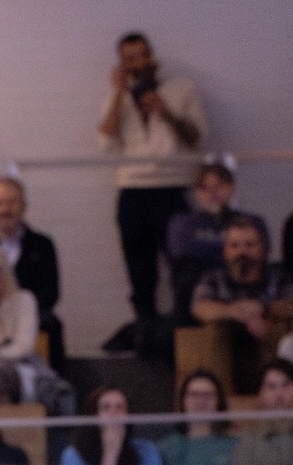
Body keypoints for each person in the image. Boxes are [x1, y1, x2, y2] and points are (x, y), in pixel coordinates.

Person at [98, 33, 206, 348]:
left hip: (170, 187)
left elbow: (198, 139)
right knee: (139, 268)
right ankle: (146, 334)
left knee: (182, 264)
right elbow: (105, 142)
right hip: (132, 189)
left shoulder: (182, 88)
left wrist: (165, 111)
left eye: (141, 55)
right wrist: (118, 95)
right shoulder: (117, 95)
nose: (136, 63)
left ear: (152, 56)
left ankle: (181, 332)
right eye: (128, 58)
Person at [0, 176, 64, 371]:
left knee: (52, 324)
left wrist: (19, 313)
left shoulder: (42, 245)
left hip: (30, 315)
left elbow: (50, 292)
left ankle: (51, 379)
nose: (5, 209)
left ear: (24, 205)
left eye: (12, 202)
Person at [191, 215, 293, 394]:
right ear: (225, 250)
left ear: (263, 248)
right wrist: (236, 312)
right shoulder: (213, 278)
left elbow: (291, 306)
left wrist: (263, 309)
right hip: (228, 349)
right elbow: (200, 308)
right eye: (234, 245)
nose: (241, 252)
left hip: (269, 342)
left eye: (249, 245)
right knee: (216, 329)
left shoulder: (279, 278)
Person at [167, 163, 270, 327]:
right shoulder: (183, 223)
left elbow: (260, 253)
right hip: (201, 289)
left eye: (218, 186)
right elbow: (182, 255)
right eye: (204, 188)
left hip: (244, 283)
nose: (212, 193)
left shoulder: (252, 221)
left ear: (231, 187)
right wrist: (230, 253)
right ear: (196, 192)